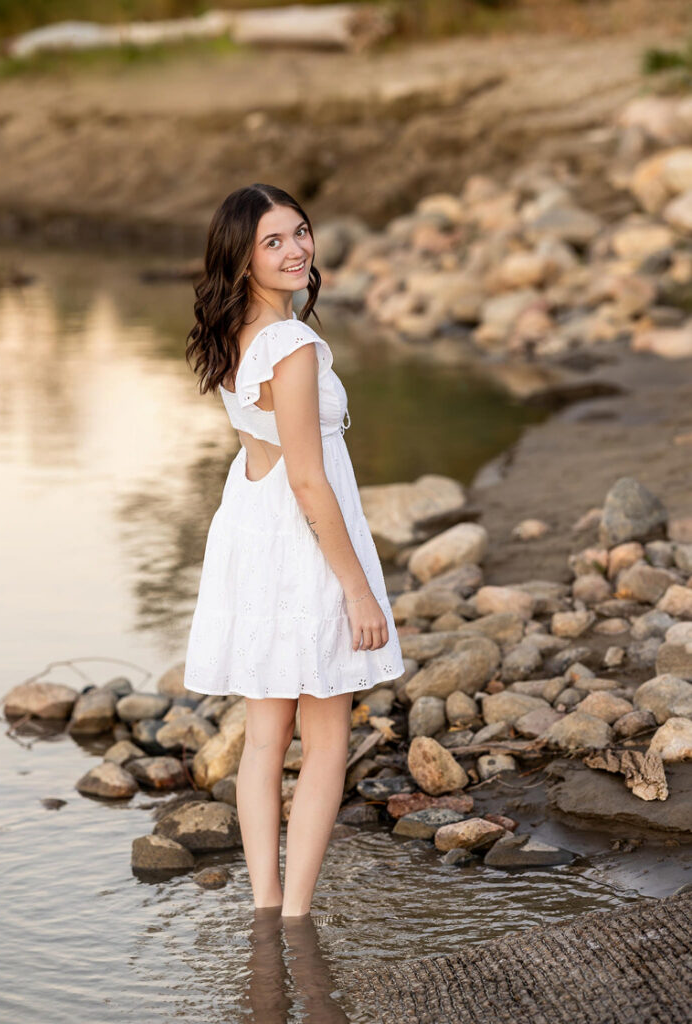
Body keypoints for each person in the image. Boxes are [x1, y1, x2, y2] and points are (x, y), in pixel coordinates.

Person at [183, 183, 405, 918]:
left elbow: (268, 457)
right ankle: (297, 916)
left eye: (300, 232)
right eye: (273, 241)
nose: (297, 249)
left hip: (254, 531)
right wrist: (357, 587)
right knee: (325, 736)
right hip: (302, 544)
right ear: (241, 258)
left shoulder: (235, 333)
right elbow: (310, 479)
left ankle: (263, 906)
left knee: (263, 737)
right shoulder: (291, 342)